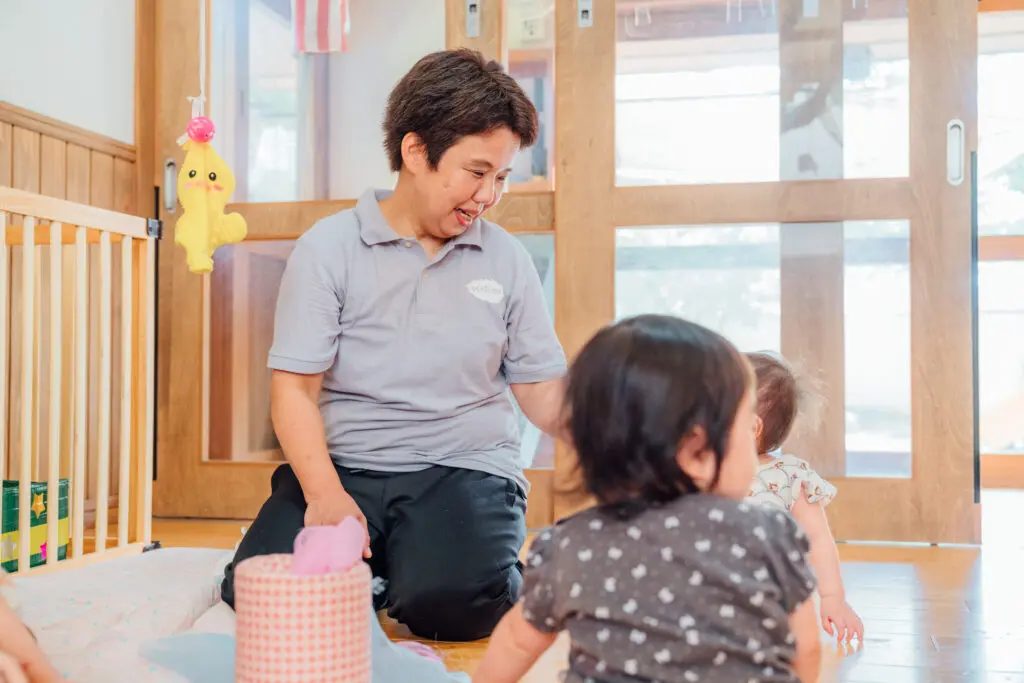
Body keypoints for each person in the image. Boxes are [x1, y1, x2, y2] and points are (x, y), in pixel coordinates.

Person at [219, 48, 567, 643]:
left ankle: (428, 570)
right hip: (346, 465)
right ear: (415, 152)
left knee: (453, 605)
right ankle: (382, 568)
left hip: (464, 468)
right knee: (259, 593)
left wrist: (615, 434)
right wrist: (325, 496)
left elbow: (539, 388)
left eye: (501, 177)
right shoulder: (329, 248)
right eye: (477, 172)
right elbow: (294, 391)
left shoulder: (505, 258)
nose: (488, 195)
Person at [473, 315, 822, 683]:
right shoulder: (769, 534)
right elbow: (806, 649)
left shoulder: (572, 546)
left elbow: (516, 643)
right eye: (746, 431)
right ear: (696, 452)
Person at [745, 351, 865, 644]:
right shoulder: (702, 466)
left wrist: (833, 597)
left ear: (753, 427)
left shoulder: (790, 475)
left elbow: (818, 538)